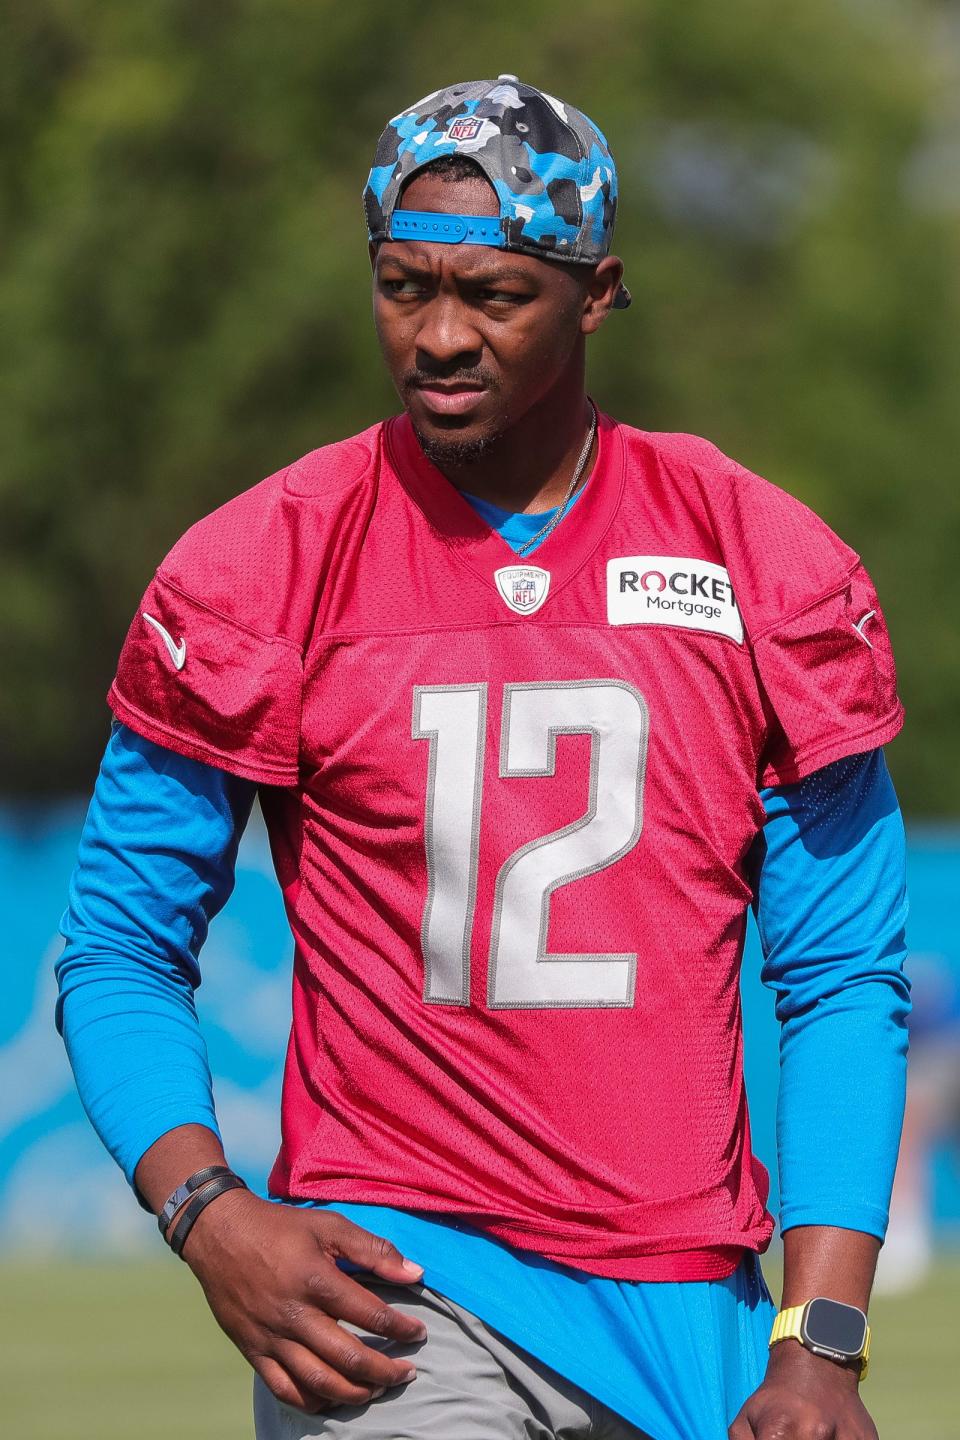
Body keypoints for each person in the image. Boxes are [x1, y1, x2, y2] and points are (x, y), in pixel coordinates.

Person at [57, 77, 910, 1440]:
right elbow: (115, 947)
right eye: (404, 287)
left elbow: (845, 982)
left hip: (691, 1304)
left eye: (494, 295)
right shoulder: (266, 560)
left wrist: (823, 1343)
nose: (439, 336)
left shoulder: (755, 555)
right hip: (396, 1299)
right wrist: (208, 1213)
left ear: (596, 293)